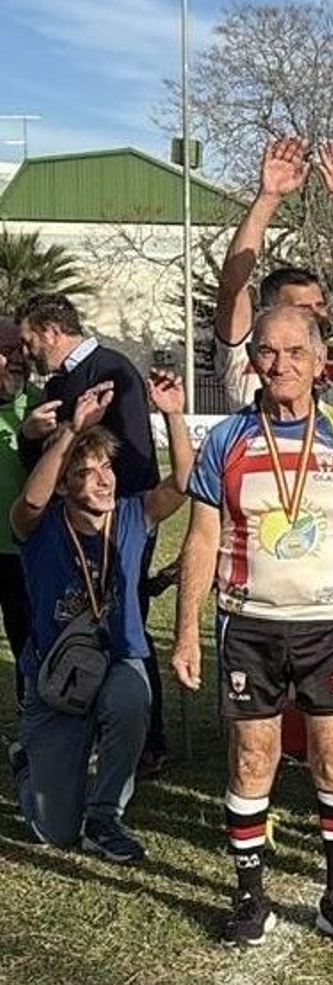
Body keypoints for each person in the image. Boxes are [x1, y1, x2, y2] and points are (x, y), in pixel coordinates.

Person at [171, 303, 333, 946]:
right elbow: (201, 540)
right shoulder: (226, 439)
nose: (281, 365)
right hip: (248, 622)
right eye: (269, 353)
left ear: (318, 361)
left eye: (296, 352)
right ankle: (250, 898)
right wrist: (187, 630)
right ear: (253, 361)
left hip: (330, 625)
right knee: (253, 758)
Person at [9, 372, 190, 860]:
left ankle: (106, 816)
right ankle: (27, 763)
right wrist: (72, 430)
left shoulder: (132, 513)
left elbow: (183, 483)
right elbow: (31, 500)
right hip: (56, 675)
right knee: (54, 832)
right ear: (63, 485)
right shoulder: (39, 526)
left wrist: (173, 414)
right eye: (86, 472)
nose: (104, 479)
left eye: (106, 467)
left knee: (131, 699)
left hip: (116, 660)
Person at [17, 293, 169, 773]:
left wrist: (121, 520)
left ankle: (146, 741)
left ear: (50, 331)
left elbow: (135, 457)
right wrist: (30, 437)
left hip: (117, 526)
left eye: (28, 341)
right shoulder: (57, 383)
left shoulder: (113, 370)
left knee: (125, 624)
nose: (26, 353)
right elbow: (46, 467)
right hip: (65, 529)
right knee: (74, 621)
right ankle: (83, 725)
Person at [214, 139, 333, 414]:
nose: (317, 314)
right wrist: (268, 198)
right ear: (268, 311)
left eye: (320, 305)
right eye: (303, 308)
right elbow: (232, 286)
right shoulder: (247, 356)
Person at [0, 318, 39, 701]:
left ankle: (34, 720)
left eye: (22, 350)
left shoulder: (43, 405)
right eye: (7, 350)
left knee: (29, 646)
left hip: (25, 553)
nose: (17, 358)